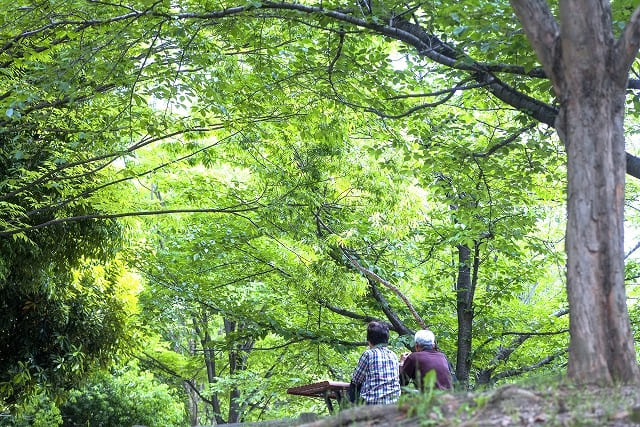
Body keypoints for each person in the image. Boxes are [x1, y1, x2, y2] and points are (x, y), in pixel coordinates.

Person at [349, 321, 401, 405]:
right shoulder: (393, 355)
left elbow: (356, 380)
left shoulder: (368, 354)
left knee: (353, 387)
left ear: (369, 340)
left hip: (372, 404)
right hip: (393, 403)